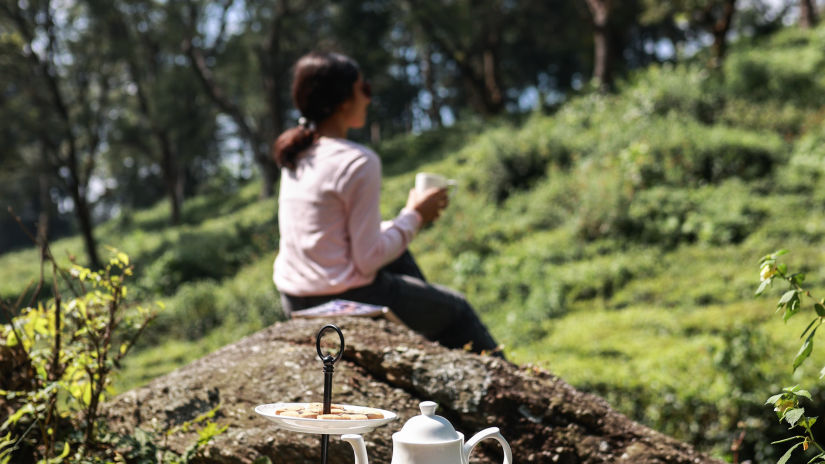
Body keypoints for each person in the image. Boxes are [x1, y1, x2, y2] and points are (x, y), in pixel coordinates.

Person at [272, 51, 501, 356]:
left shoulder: (296, 155)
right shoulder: (357, 161)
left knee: (400, 255)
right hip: (344, 298)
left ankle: (428, 344)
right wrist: (416, 215)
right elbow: (368, 259)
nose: (368, 99)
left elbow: (332, 236)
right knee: (458, 310)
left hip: (294, 297)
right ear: (343, 102)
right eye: (363, 90)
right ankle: (509, 392)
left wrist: (404, 221)